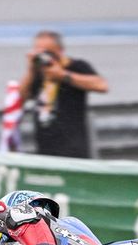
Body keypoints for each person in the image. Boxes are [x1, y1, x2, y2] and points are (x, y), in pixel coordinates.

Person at [19, 30, 108, 159]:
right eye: (38, 51)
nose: (43, 56)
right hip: (45, 148)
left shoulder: (76, 66)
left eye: (47, 51)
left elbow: (102, 85)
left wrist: (63, 75)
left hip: (72, 148)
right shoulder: (40, 72)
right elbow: (22, 97)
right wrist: (31, 70)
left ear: (59, 50)